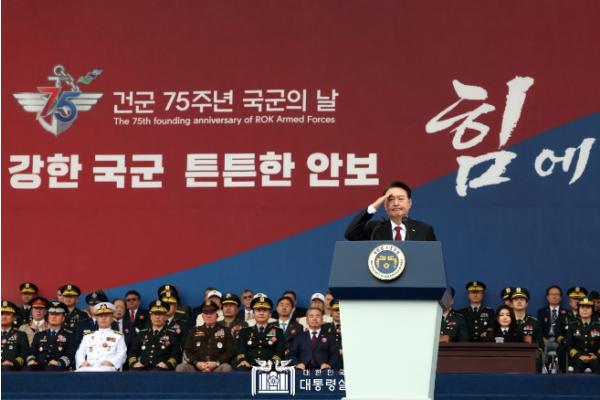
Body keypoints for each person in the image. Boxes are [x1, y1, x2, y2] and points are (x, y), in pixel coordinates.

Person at [345, 181, 436, 241]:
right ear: (385, 204)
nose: (396, 203)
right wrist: (373, 207)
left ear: (409, 203)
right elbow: (351, 234)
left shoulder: (424, 230)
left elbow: (433, 259)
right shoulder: (375, 229)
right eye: (391, 199)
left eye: (400, 199)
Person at [176, 300, 234, 372]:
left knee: (226, 367)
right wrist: (196, 363)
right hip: (196, 368)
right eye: (206, 313)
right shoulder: (194, 331)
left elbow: (230, 351)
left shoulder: (226, 331)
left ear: (216, 315)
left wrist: (217, 363)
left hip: (217, 368)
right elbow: (187, 351)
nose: (209, 316)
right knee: (181, 367)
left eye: (211, 313)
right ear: (202, 316)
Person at [234, 296, 285, 371]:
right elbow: (240, 349)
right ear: (253, 314)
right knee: (242, 369)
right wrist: (243, 360)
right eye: (258, 310)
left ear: (270, 314)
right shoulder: (244, 331)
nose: (261, 313)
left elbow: (280, 352)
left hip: (270, 365)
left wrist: (270, 363)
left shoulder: (278, 331)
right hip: (249, 365)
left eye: (264, 310)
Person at [127, 300, 181, 371]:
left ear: (166, 317)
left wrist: (168, 364)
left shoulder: (172, 334)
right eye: (155, 314)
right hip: (142, 368)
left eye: (161, 314)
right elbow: (133, 352)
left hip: (162, 369)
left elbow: (176, 354)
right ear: (150, 316)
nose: (157, 317)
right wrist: (134, 363)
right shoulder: (142, 333)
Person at [75, 302, 126, 372]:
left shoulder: (118, 336)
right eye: (100, 316)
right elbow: (80, 352)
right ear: (96, 318)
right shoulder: (87, 336)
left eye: (106, 316)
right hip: (89, 366)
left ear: (112, 318)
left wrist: (111, 362)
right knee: (79, 372)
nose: (103, 318)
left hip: (108, 367)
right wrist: (82, 363)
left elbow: (122, 354)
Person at [24, 301, 75, 371]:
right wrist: (31, 360)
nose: (54, 316)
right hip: (39, 366)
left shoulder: (69, 336)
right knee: (27, 369)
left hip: (58, 367)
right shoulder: (39, 335)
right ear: (47, 317)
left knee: (51, 369)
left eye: (57, 314)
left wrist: (59, 362)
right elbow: (31, 352)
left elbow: (70, 355)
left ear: (63, 318)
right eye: (51, 314)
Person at [537, 285, 569, 372]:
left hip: (560, 340)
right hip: (546, 340)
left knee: (563, 349)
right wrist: (542, 338)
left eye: (557, 294)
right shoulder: (541, 312)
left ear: (561, 297)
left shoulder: (566, 312)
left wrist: (562, 339)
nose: (554, 296)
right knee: (541, 348)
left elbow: (568, 330)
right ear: (547, 297)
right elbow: (538, 328)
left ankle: (562, 373)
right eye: (551, 294)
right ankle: (541, 370)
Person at [565, 298, 600, 373]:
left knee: (597, 365)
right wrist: (579, 355)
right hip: (578, 357)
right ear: (578, 310)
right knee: (578, 366)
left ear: (592, 310)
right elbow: (568, 345)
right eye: (582, 307)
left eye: (588, 308)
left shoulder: (598, 325)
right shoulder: (572, 325)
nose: (585, 310)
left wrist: (597, 355)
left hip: (595, 357)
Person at [1, 301, 30, 371]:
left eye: (8, 314)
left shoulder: (21, 335)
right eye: (1, 314)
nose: (4, 317)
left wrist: (13, 363)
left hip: (12, 369)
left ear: (14, 318)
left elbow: (24, 354)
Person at [322, 299, 343, 370]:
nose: (339, 312)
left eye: (341, 310)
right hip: (328, 364)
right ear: (331, 311)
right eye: (336, 310)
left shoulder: (353, 328)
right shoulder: (324, 328)